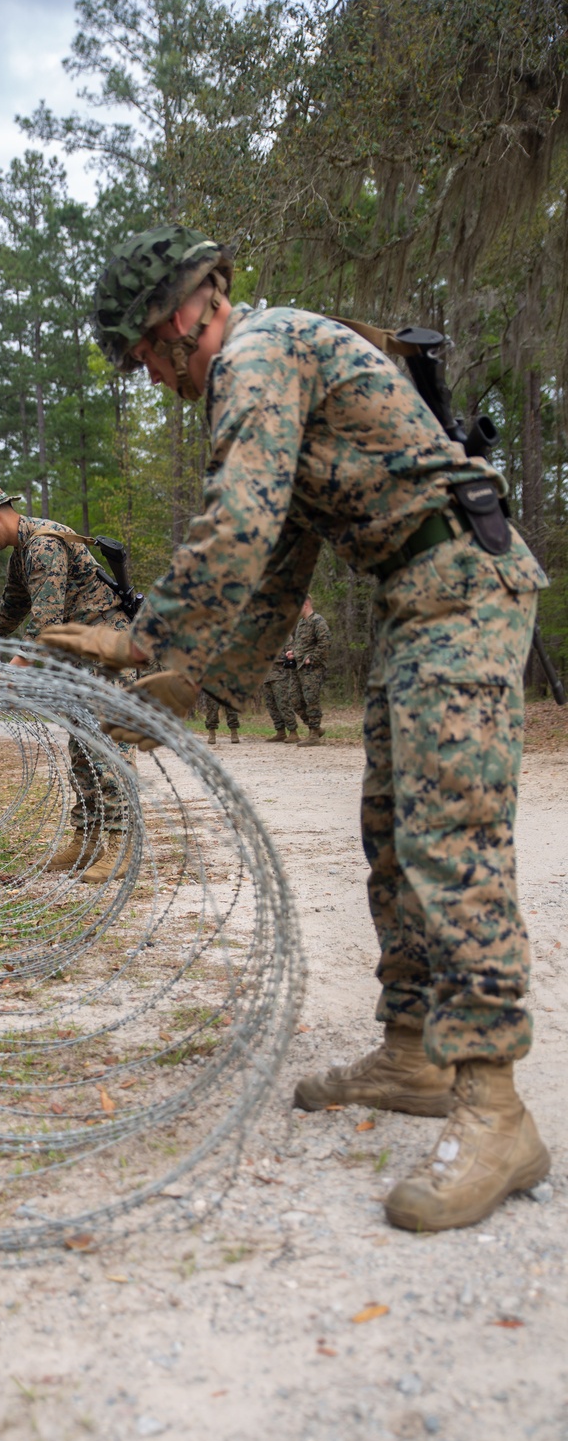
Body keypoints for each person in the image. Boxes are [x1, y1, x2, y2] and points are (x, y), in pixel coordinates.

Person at [39, 224, 549, 1234]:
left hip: (460, 588)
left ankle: (495, 1112)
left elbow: (237, 517)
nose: (145, 372)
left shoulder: (259, 352)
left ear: (190, 310)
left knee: (448, 832)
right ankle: (413, 1052)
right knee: (390, 830)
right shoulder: (270, 368)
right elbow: (276, 570)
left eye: (142, 348)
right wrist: (187, 688)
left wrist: (147, 641)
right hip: (419, 597)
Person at [0, 481, 134, 885]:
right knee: (82, 747)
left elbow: (46, 626)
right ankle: (88, 839)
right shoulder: (21, 555)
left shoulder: (42, 547)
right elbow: (12, 609)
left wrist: (12, 669)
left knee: (108, 744)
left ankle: (124, 843)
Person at [285, 595, 332, 746]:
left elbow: (325, 642)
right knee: (294, 699)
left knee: (311, 699)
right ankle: (316, 728)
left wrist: (312, 658)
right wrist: (293, 653)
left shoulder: (318, 621)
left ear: (305, 604)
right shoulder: (301, 623)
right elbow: (301, 645)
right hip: (298, 667)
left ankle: (313, 734)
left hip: (312, 668)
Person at [262, 635, 298, 742]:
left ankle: (293, 732)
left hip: (280, 674)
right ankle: (280, 732)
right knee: (271, 704)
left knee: (283, 703)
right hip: (266, 675)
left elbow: (291, 653)